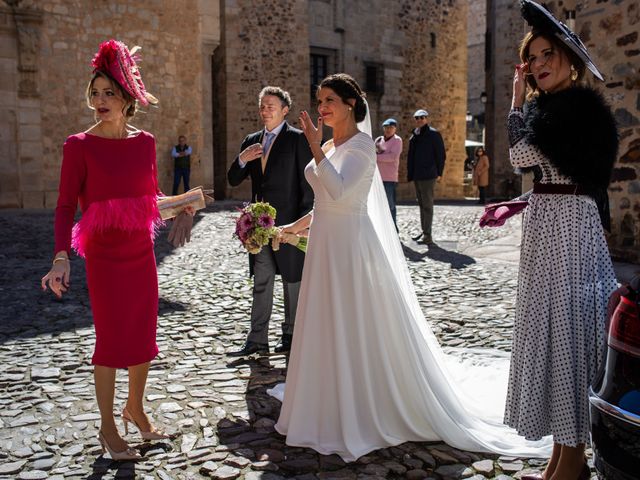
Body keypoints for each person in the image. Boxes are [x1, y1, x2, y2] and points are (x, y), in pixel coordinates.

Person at [270, 73, 550, 462]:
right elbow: (322, 203)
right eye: (320, 100)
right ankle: (326, 400)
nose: (322, 107)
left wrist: (316, 148)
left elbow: (339, 191)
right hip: (324, 246)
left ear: (351, 104)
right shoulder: (332, 144)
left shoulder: (364, 146)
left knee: (352, 323)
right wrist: (290, 228)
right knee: (324, 321)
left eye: (330, 99)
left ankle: (359, 407)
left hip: (350, 247)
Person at [40, 40, 178, 461]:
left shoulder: (146, 143)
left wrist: (185, 205)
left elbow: (150, 199)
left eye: (108, 93)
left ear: (126, 98)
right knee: (111, 339)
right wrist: (61, 256)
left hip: (140, 252)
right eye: (95, 93)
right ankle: (106, 427)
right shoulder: (78, 144)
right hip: (103, 256)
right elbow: (66, 205)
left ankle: (135, 408)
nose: (100, 100)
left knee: (142, 334)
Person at [505, 2, 619, 479]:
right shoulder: (547, 108)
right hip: (548, 221)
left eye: (549, 54)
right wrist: (520, 100)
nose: (540, 64)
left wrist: (515, 104)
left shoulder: (576, 111)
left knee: (567, 331)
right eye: (532, 58)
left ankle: (572, 460)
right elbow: (522, 161)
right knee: (550, 331)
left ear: (570, 60)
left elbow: (518, 154)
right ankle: (560, 455)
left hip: (569, 223)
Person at [227, 86, 313, 356]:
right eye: (262, 105)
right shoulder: (251, 140)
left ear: (284, 109)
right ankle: (256, 340)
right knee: (261, 281)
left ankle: (291, 336)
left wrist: (301, 226)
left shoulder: (298, 140)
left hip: (289, 226)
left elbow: (307, 186)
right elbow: (232, 179)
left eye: (270, 106)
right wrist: (242, 159)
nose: (265, 110)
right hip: (258, 229)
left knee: (292, 281)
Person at [407, 109, 445, 245]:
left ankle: (427, 235)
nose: (419, 120)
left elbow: (440, 155)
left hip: (429, 175)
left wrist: (439, 172)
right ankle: (425, 231)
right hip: (418, 175)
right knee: (422, 204)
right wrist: (410, 174)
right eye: (417, 118)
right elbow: (410, 157)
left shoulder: (434, 135)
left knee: (427, 205)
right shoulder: (414, 137)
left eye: (422, 118)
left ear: (426, 119)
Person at [374, 118, 402, 230]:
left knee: (390, 205)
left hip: (389, 178)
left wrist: (375, 157)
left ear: (395, 128)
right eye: (386, 127)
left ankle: (393, 229)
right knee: (378, 205)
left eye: (391, 127)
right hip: (377, 178)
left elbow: (392, 157)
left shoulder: (397, 140)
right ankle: (382, 228)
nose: (388, 130)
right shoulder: (378, 140)